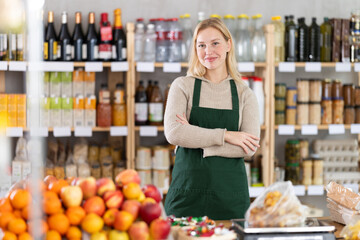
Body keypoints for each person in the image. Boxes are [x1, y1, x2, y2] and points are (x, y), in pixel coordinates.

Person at [163, 17, 261, 220]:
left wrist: (198, 141)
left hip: (230, 199)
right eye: (201, 45)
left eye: (215, 43)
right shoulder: (182, 86)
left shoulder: (245, 94)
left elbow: (249, 146)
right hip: (186, 196)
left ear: (228, 44)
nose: (208, 51)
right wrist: (228, 136)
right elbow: (174, 133)